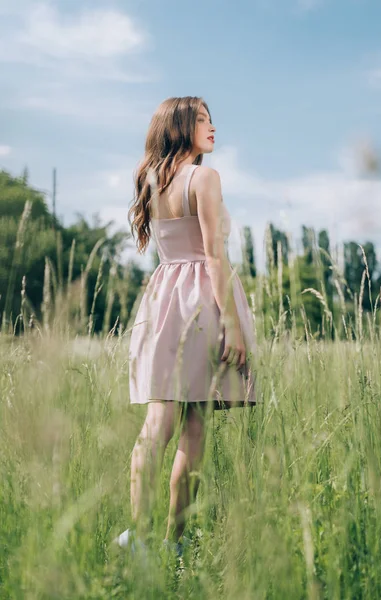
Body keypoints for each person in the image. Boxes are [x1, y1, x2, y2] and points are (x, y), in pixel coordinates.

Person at [113, 96, 259, 559]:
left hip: (161, 300)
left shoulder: (151, 180)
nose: (212, 126)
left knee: (157, 423)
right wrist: (231, 326)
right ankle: (173, 546)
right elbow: (214, 255)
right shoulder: (205, 177)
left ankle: (136, 538)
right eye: (201, 119)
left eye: (212, 118)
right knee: (195, 424)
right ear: (179, 126)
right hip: (202, 301)